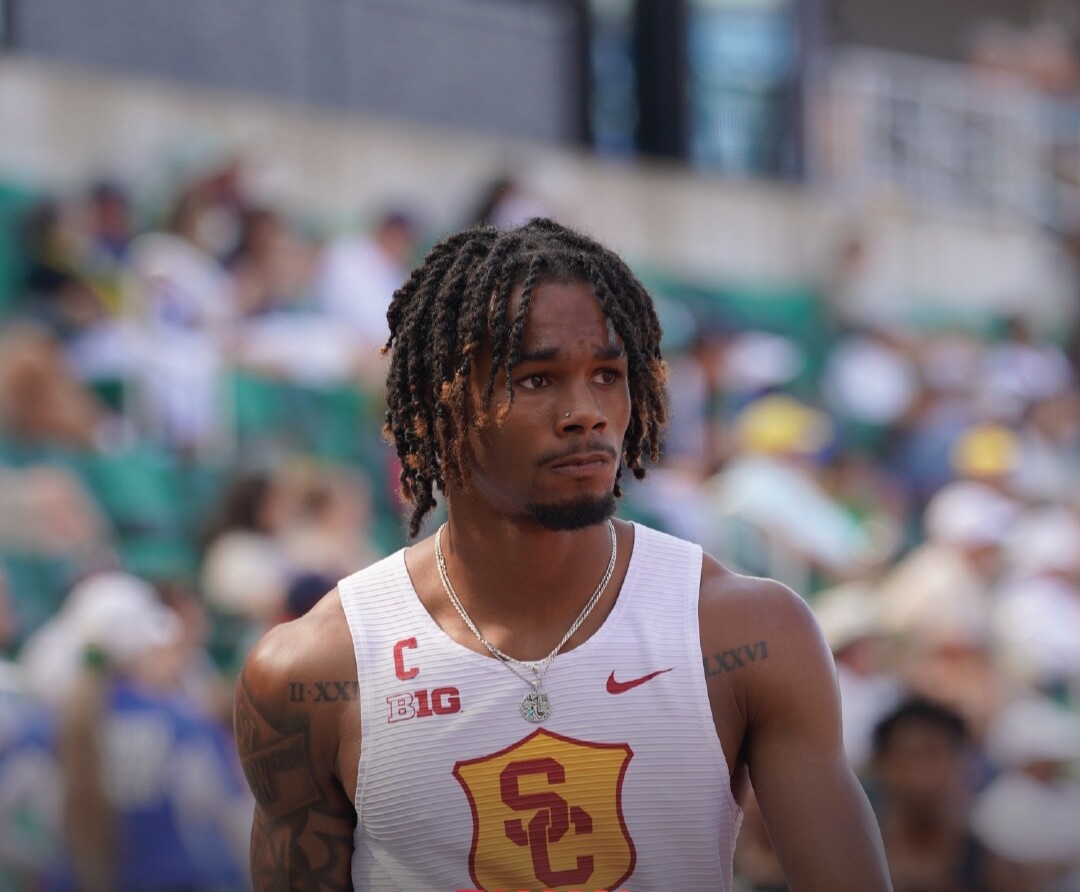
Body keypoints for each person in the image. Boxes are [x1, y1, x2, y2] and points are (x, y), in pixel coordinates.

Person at [234, 218, 891, 891]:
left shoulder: (747, 633)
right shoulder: (313, 672)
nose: (586, 412)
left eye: (607, 374)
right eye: (536, 379)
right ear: (437, 404)